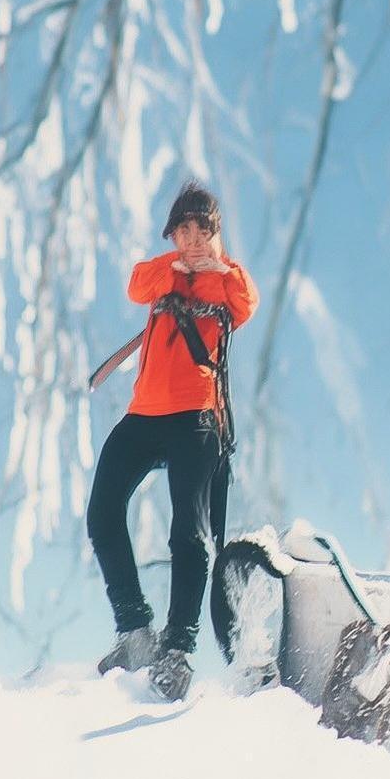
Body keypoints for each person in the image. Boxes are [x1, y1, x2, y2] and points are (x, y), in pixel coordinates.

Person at [86, 180, 260, 701]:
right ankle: (135, 632)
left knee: (188, 530)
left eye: (200, 230)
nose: (191, 240)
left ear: (215, 232)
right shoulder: (163, 271)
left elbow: (245, 302)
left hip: (197, 418)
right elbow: (137, 286)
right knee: (102, 511)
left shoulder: (228, 279)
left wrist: (218, 267)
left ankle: (176, 650)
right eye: (182, 231)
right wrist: (177, 268)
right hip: (144, 415)